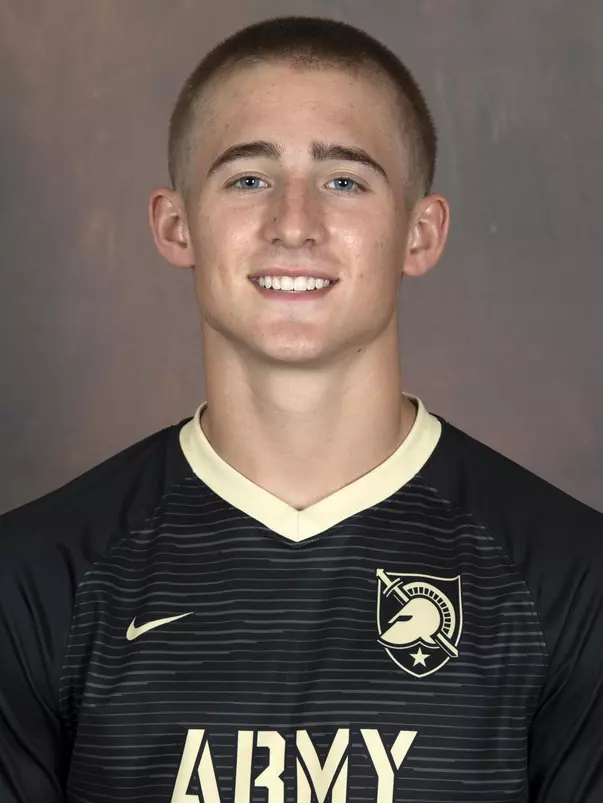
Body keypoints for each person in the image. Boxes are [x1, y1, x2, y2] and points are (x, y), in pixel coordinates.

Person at [1, 14, 601, 803]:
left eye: (343, 181)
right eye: (248, 178)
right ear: (175, 224)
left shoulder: (567, 575)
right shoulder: (37, 577)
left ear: (419, 234)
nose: (293, 224)